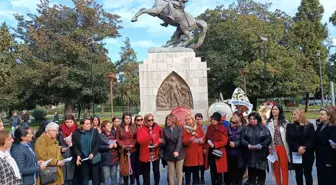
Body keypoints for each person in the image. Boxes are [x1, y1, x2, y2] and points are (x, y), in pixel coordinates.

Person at [242, 112, 271, 185]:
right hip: (250, 153)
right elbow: (242, 139)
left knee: (261, 171)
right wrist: (247, 145)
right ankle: (251, 180)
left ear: (258, 119)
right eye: (250, 119)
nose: (252, 120)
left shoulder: (264, 128)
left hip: (261, 154)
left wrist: (262, 145)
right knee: (251, 170)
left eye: (254, 119)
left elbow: (268, 139)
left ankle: (260, 182)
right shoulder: (246, 128)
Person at [286, 109, 315, 185]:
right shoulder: (290, 126)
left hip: (308, 153)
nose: (293, 116)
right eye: (292, 114)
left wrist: (304, 147)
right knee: (298, 174)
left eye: (295, 114)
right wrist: (298, 147)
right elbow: (288, 139)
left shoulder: (309, 126)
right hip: (296, 153)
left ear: (301, 115)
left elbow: (312, 139)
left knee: (308, 173)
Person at [72, 118, 102, 185]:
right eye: (87, 124)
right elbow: (75, 147)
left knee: (96, 178)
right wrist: (78, 155)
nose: (89, 125)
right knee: (84, 178)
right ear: (82, 125)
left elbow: (98, 144)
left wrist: (93, 153)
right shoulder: (76, 133)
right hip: (83, 159)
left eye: (90, 124)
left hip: (93, 158)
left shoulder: (94, 132)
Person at [266, 104, 290, 185]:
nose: (274, 111)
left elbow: (288, 136)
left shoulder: (285, 122)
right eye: (273, 109)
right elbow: (267, 136)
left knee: (284, 169)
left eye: (276, 109)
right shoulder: (268, 122)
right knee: (276, 169)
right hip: (273, 148)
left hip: (283, 147)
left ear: (280, 111)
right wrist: (269, 147)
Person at [137, 113, 162, 185]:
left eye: (152, 120)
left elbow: (161, 137)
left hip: (155, 152)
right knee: (146, 172)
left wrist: (158, 142)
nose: (151, 121)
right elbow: (140, 141)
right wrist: (150, 137)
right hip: (145, 153)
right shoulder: (141, 129)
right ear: (145, 121)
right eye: (149, 120)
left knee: (156, 171)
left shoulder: (157, 127)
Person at [204, 112, 228, 185]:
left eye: (215, 119)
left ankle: (219, 183)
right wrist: (204, 147)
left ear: (218, 120)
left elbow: (224, 141)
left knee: (219, 170)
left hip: (219, 152)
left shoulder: (222, 128)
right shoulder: (210, 127)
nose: (213, 121)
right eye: (212, 119)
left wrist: (215, 144)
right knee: (212, 169)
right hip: (210, 151)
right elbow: (206, 137)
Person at [162, 113, 185, 185]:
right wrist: (162, 141)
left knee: (179, 172)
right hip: (169, 154)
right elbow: (165, 142)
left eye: (169, 120)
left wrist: (177, 151)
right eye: (167, 120)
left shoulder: (179, 128)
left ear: (173, 120)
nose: (167, 121)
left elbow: (179, 140)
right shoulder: (165, 129)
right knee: (171, 173)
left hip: (179, 153)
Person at [315, 107, 336, 185]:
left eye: (322, 114)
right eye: (320, 114)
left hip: (329, 159)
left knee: (329, 179)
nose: (320, 116)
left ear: (329, 116)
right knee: (321, 178)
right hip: (320, 158)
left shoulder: (333, 127)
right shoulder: (320, 125)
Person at [117, 113, 138, 185]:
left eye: (129, 118)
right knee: (125, 170)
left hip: (132, 150)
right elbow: (117, 138)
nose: (128, 120)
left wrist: (133, 144)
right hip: (123, 152)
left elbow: (136, 137)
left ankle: (132, 183)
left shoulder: (133, 126)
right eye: (126, 118)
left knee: (132, 169)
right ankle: (125, 183)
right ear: (123, 119)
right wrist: (122, 145)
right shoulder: (119, 127)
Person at [225, 111, 246, 185]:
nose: (234, 117)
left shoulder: (243, 128)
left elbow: (244, 139)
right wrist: (228, 142)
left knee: (239, 174)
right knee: (232, 173)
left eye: (236, 116)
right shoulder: (228, 127)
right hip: (230, 153)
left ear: (240, 118)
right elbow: (225, 137)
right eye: (234, 116)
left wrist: (235, 144)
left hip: (240, 154)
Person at [183, 114, 204, 185]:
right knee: (188, 174)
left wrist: (202, 141)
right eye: (186, 120)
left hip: (197, 155)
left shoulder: (198, 127)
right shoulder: (184, 129)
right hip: (189, 155)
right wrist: (189, 140)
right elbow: (183, 141)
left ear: (192, 120)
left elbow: (203, 137)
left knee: (196, 174)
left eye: (189, 119)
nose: (187, 121)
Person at [58, 115, 77, 185]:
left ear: (73, 122)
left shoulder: (77, 129)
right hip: (63, 154)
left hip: (74, 153)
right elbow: (56, 143)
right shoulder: (60, 131)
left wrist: (73, 143)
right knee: (64, 176)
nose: (69, 124)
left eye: (70, 122)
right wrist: (61, 148)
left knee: (73, 175)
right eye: (67, 122)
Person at [100, 119, 119, 185]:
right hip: (106, 159)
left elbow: (118, 141)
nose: (110, 127)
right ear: (103, 128)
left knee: (114, 175)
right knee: (106, 176)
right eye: (108, 126)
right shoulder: (100, 136)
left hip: (115, 158)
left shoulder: (114, 133)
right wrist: (108, 147)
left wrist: (117, 145)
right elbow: (99, 147)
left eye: (110, 125)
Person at [195, 113, 206, 184]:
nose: (198, 121)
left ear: (202, 119)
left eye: (200, 119)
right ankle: (197, 177)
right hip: (196, 148)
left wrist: (205, 147)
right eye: (197, 119)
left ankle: (202, 176)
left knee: (203, 164)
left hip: (204, 148)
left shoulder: (206, 127)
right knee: (196, 164)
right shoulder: (194, 127)